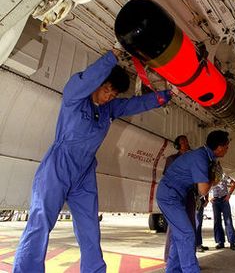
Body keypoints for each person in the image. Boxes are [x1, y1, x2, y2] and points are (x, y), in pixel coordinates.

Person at [13, 49, 171, 273]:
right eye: (107, 90)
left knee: (89, 230)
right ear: (98, 84)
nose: (109, 96)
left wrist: (163, 97)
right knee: (40, 223)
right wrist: (112, 57)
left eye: (113, 94)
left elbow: (136, 104)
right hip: (59, 165)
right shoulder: (74, 98)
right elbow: (86, 79)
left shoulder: (108, 110)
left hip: (85, 172)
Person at [156, 130, 230, 272]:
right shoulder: (200, 157)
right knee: (187, 234)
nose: (227, 149)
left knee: (180, 237)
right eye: (226, 146)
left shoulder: (206, 156)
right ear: (219, 147)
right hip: (170, 197)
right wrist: (214, 181)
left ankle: (172, 270)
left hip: (178, 196)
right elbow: (203, 190)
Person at [163, 135, 195, 261]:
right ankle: (169, 259)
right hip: (175, 196)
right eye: (183, 142)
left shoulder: (192, 159)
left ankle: (190, 258)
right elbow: (166, 178)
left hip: (190, 196)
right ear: (177, 145)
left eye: (187, 141)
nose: (186, 144)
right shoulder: (172, 159)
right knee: (173, 228)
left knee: (190, 227)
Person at [211, 174, 235, 251]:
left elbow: (234, 184)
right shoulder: (210, 176)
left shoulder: (223, 176)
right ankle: (220, 242)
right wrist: (209, 197)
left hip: (224, 200)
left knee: (228, 221)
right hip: (215, 201)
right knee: (217, 222)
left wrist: (229, 195)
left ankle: (232, 243)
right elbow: (206, 186)